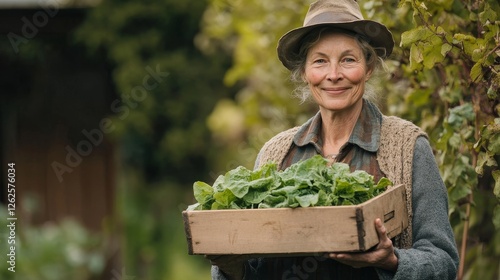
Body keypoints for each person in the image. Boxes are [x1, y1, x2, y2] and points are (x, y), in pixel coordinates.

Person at [210, 0, 459, 279]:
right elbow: (255, 267)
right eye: (320, 61)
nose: (334, 75)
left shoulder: (407, 148)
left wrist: (392, 261)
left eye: (348, 60)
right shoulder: (275, 153)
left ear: (369, 67)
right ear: (305, 73)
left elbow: (444, 262)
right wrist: (228, 266)